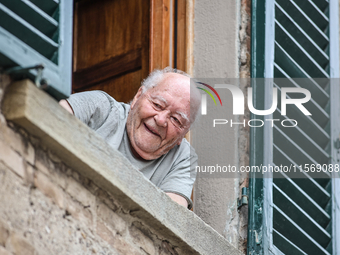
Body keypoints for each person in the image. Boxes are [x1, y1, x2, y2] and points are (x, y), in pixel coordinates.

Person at [59, 67, 201, 209]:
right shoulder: (101, 107)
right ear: (138, 96)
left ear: (183, 134)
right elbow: (50, 114)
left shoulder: (184, 158)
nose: (160, 120)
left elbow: (173, 215)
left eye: (176, 119)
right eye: (157, 105)